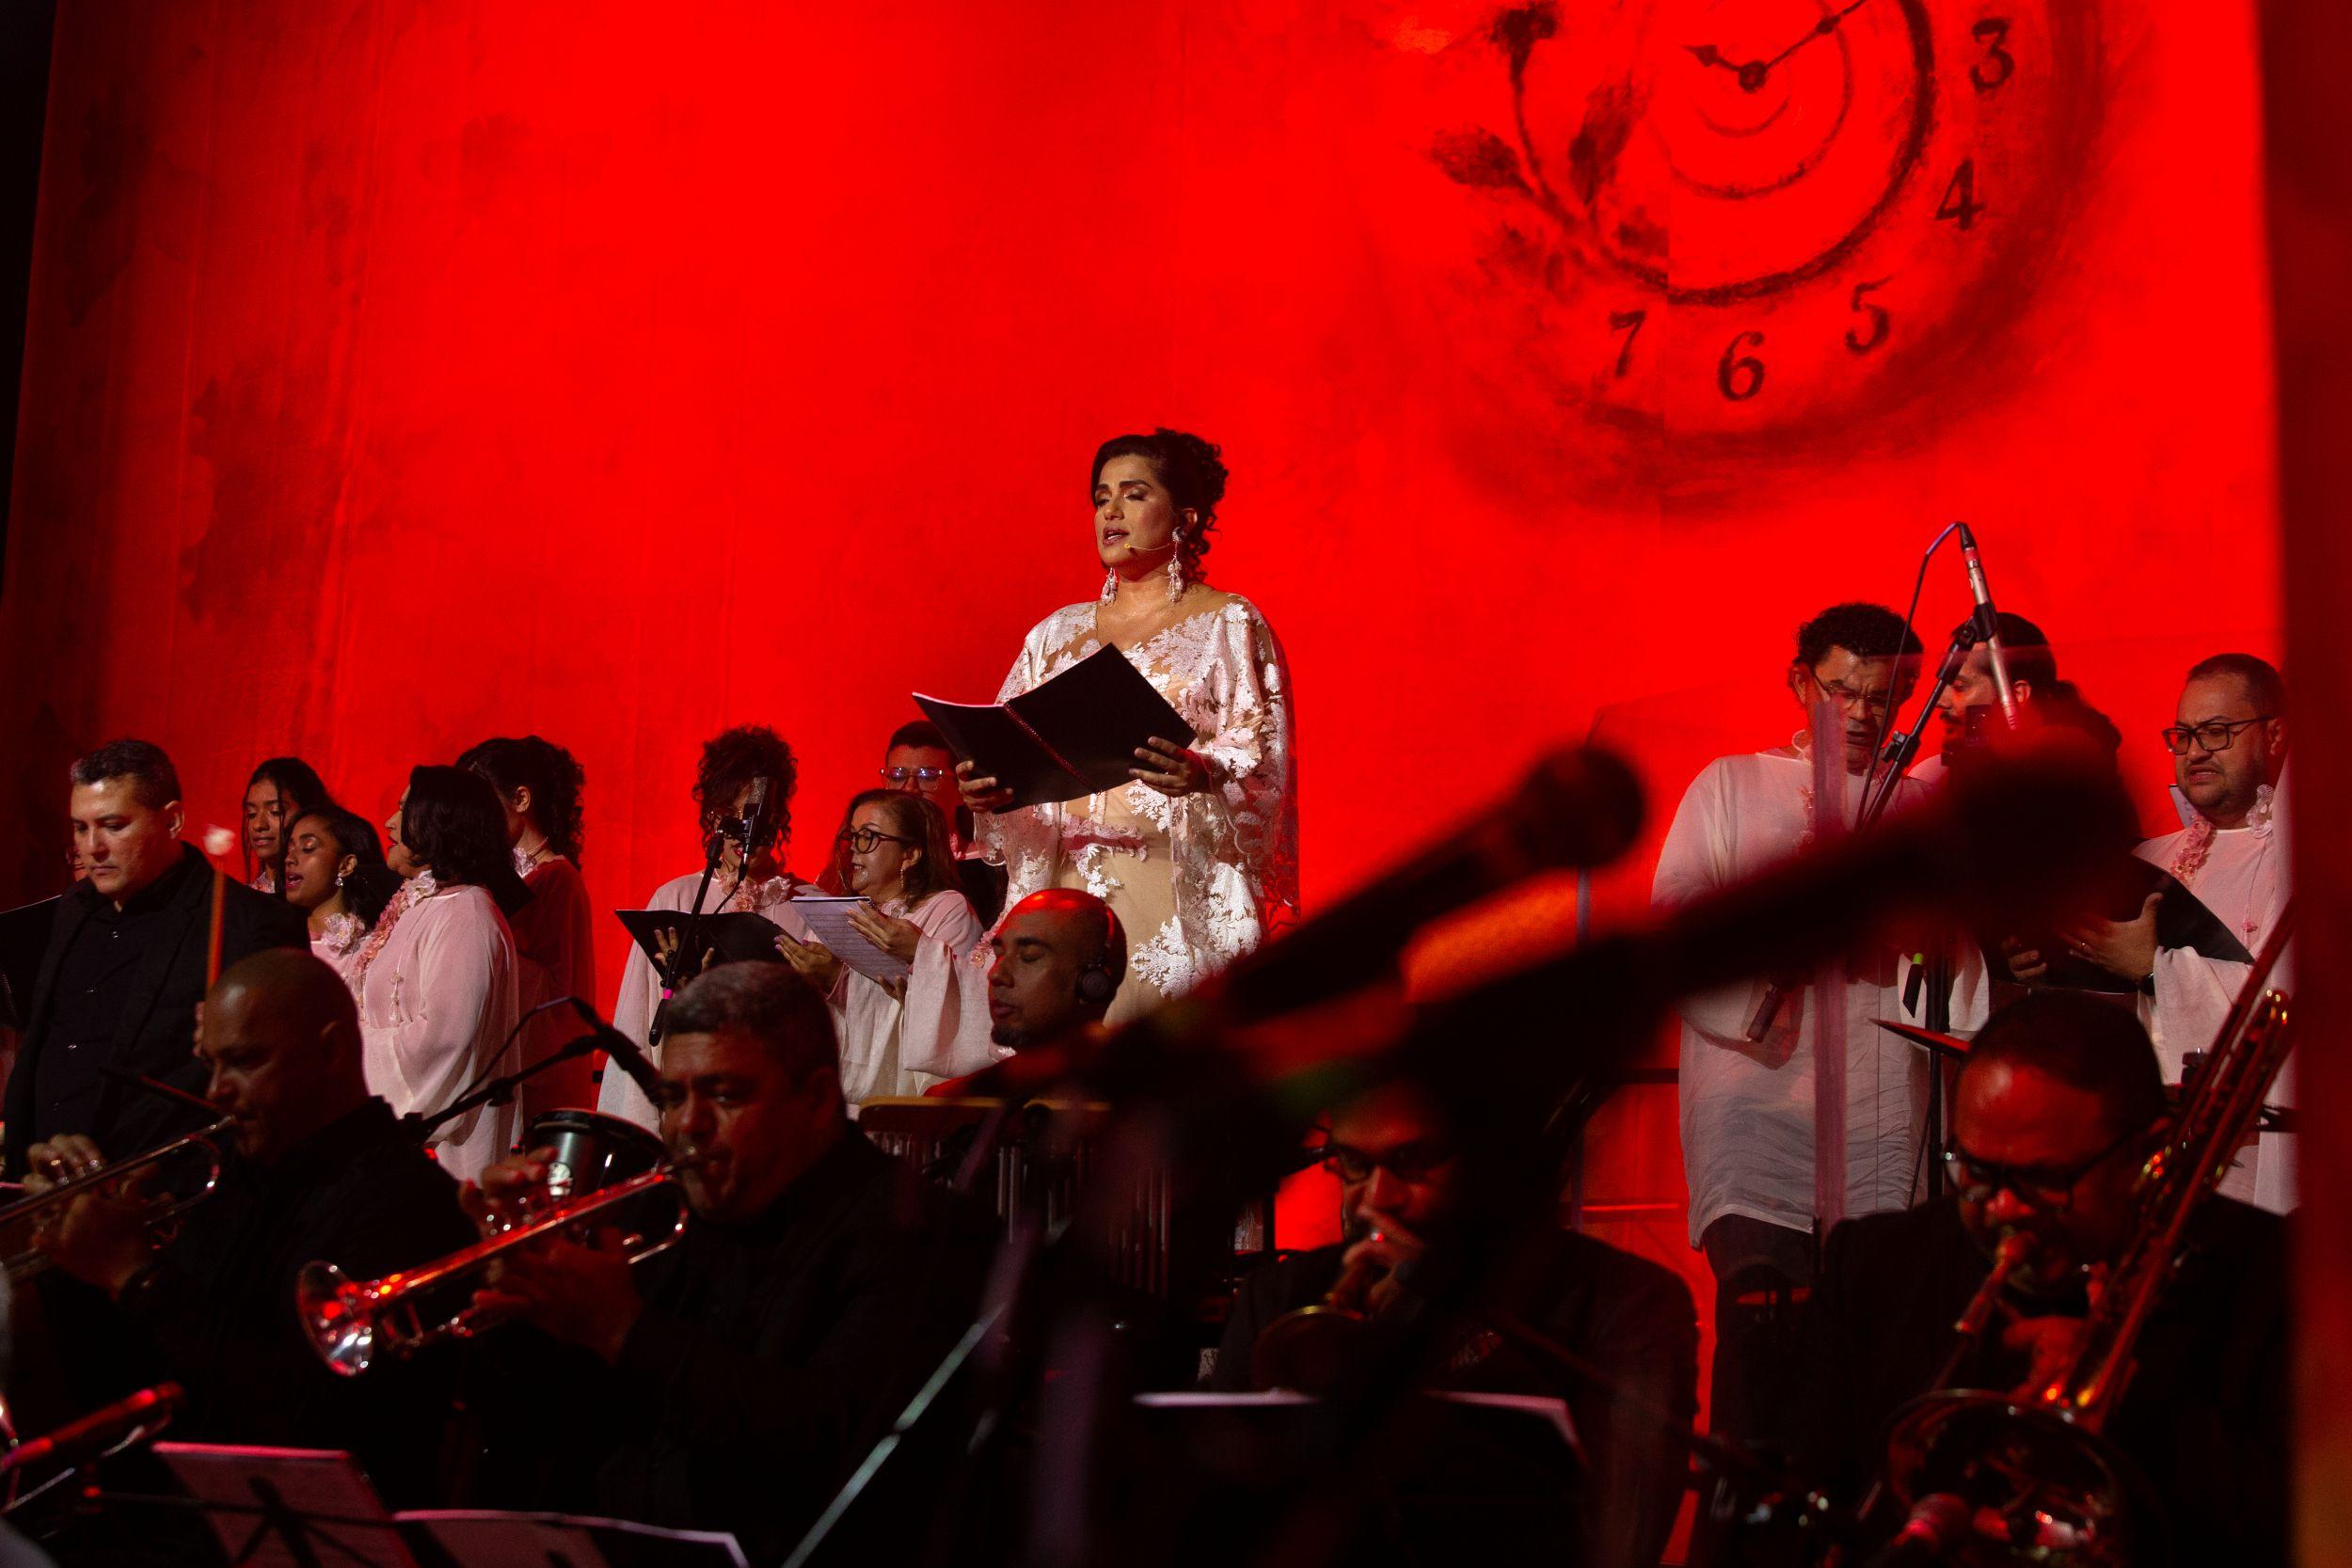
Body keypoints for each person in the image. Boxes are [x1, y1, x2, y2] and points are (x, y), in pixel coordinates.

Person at [465, 962, 998, 1561]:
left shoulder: (922, 1233)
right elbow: (557, 1420)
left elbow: (836, 1448)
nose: (687, 1125)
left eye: (724, 1095)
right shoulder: (662, 1215)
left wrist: (622, 1329)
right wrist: (522, 1300)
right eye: (672, 1098)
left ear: (818, 1098)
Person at [1798, 991, 2286, 1566]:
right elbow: (1799, 1515)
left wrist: (2146, 1407)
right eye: (1975, 1169)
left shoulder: (2279, 1280)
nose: (2003, 1207)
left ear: (2148, 1154)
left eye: (2046, 1179)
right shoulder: (1873, 1266)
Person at [18, 950, 474, 1505]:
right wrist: (76, 1254)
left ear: (331, 1050)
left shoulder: (408, 1202)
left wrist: (137, 1275)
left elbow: (296, 1416)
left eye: (243, 1061)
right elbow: (156, 1371)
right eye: (211, 1064)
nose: (215, 1090)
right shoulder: (240, 1180)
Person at [1650, 602, 1946, 1447]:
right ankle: (1747, 1509)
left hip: (1879, 1107)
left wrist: (1905, 939)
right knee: (1762, 1337)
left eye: (1884, 697)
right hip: (1755, 1103)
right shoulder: (1731, 783)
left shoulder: (1918, 805)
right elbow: (1678, 922)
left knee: (1870, 1345)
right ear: (1800, 682)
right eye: (1842, 690)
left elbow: (1948, 956)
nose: (1860, 714)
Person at [1208, 1081, 1698, 1568]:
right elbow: (1220, 1516)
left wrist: (1446, 1316)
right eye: (1355, 1163)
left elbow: (1628, 1534)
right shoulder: (1277, 1296)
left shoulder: (1628, 1299)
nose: (1377, 1200)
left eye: (1414, 1162)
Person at [958, 429, 1297, 1025]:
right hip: (1065, 890)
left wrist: (1205, 770)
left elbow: (1265, 755)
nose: (1111, 511)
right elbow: (1009, 742)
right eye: (1101, 498)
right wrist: (988, 787)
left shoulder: (1227, 622)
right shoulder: (1054, 635)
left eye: (1134, 494)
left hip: (1171, 885)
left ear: (1184, 519)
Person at [2012, 653, 2293, 1210]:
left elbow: (2288, 1009)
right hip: (2134, 1148)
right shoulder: (2147, 860)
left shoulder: (2300, 866)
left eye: (2217, 732)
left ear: (2275, 734)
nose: (2196, 752)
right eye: (2183, 736)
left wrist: (2153, 967)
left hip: (2246, 1160)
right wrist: (2044, 971)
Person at [4, 740, 307, 1174]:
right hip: (41, 1181)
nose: (93, 847)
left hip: (156, 1187)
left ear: (172, 820)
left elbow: (272, 1089)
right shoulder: (72, 907)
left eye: (113, 826)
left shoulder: (248, 921)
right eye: (80, 828)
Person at [603, 724, 820, 1130]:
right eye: (730, 816)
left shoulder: (810, 904)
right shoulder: (676, 898)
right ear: (713, 817)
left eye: (757, 815)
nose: (745, 830)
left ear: (778, 817)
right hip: (693, 1108)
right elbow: (638, 1020)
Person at [354, 768, 524, 1180]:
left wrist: (349, 1055)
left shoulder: (467, 915)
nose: (389, 823)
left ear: (438, 821)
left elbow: (444, 1040)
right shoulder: (422, 903)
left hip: (443, 1158)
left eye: (403, 809)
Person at [774, 791, 982, 1106]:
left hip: (901, 1101)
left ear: (910, 854)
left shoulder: (947, 909)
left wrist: (841, 982)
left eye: (868, 837)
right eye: (852, 836)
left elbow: (945, 1008)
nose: (854, 848)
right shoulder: (837, 910)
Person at [460, 736, 599, 1119]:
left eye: (481, 803)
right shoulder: (506, 877)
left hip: (534, 1076)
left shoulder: (556, 879)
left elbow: (556, 993)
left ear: (521, 799)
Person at [904, 888, 1124, 1095]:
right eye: (998, 955)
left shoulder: (1133, 1108)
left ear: (1093, 983)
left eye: (1028, 957)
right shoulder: (952, 1102)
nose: (995, 974)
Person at [877, 720, 1008, 925]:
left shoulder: (991, 867)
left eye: (927, 776)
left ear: (960, 788)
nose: (910, 788)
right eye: (897, 775)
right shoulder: (867, 860)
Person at [1913, 612, 2058, 783]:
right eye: (1943, 684)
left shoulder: (2059, 780)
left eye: (1959, 687)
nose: (1940, 702)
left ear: (2017, 695)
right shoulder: (1930, 779)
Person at [280, 806, 402, 977]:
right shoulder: (275, 943)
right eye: (289, 849)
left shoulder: (379, 946)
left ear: (346, 865)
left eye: (308, 848)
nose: (289, 859)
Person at [240, 756, 335, 894]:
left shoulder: (325, 899)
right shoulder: (239, 899)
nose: (258, 825)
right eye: (251, 814)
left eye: (275, 811)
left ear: (307, 813)